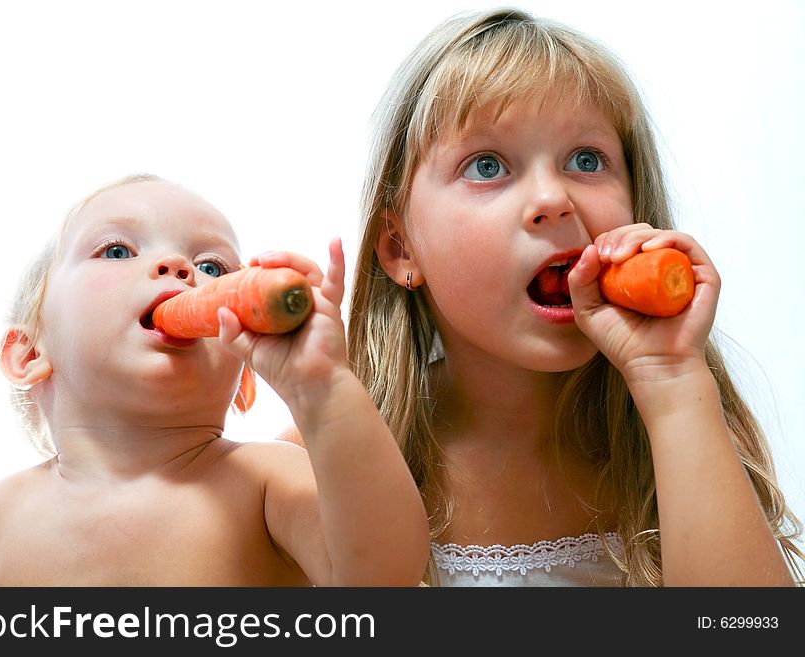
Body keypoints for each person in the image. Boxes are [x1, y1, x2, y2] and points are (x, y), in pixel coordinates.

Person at [343, 7, 804, 586]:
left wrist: (672, 382)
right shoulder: (328, 458)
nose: (552, 198)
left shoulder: (684, 429)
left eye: (586, 161)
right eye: (487, 166)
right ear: (400, 246)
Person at [0, 173, 429, 586]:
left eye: (212, 268)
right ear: (29, 353)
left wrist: (325, 390)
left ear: (244, 377)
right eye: (117, 250)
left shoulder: (267, 480)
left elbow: (384, 579)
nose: (178, 267)